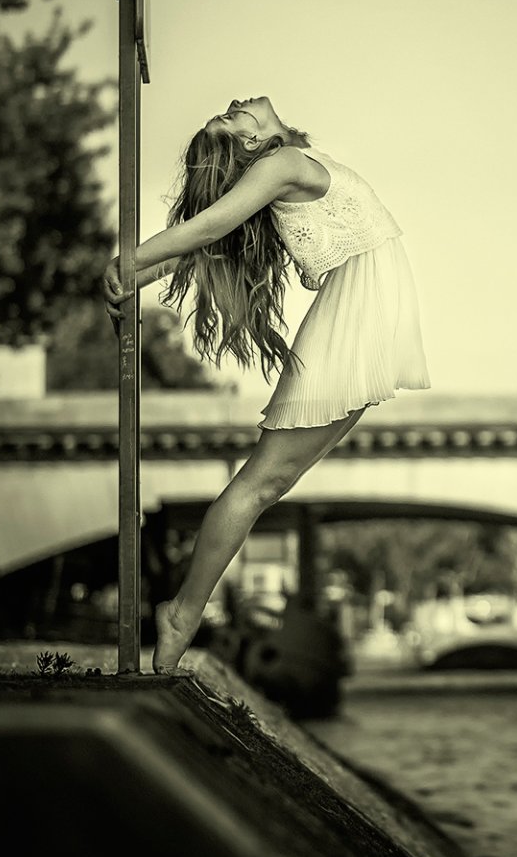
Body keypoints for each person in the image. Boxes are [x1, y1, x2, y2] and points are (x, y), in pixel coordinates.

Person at [100, 96, 430, 672]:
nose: (231, 105)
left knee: (266, 485)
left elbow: (207, 242)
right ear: (251, 144)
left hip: (366, 322)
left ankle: (183, 611)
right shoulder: (280, 166)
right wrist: (132, 265)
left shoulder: (287, 167)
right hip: (354, 324)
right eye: (228, 121)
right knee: (259, 485)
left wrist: (140, 270)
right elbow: (212, 225)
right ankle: (182, 613)